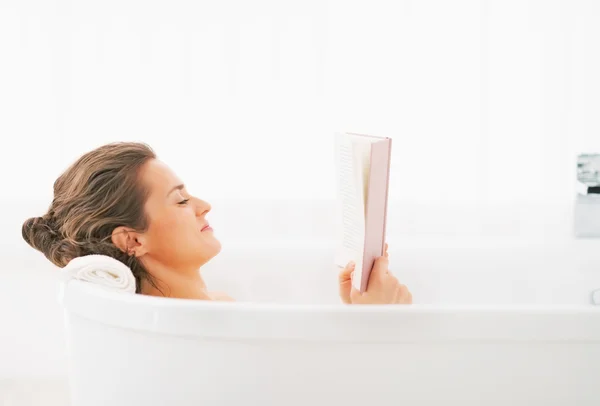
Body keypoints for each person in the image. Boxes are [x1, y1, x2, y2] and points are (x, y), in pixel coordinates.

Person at [21, 142, 412, 304]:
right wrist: (383, 322)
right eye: (181, 200)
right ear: (132, 241)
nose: (204, 206)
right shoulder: (208, 326)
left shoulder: (216, 309)